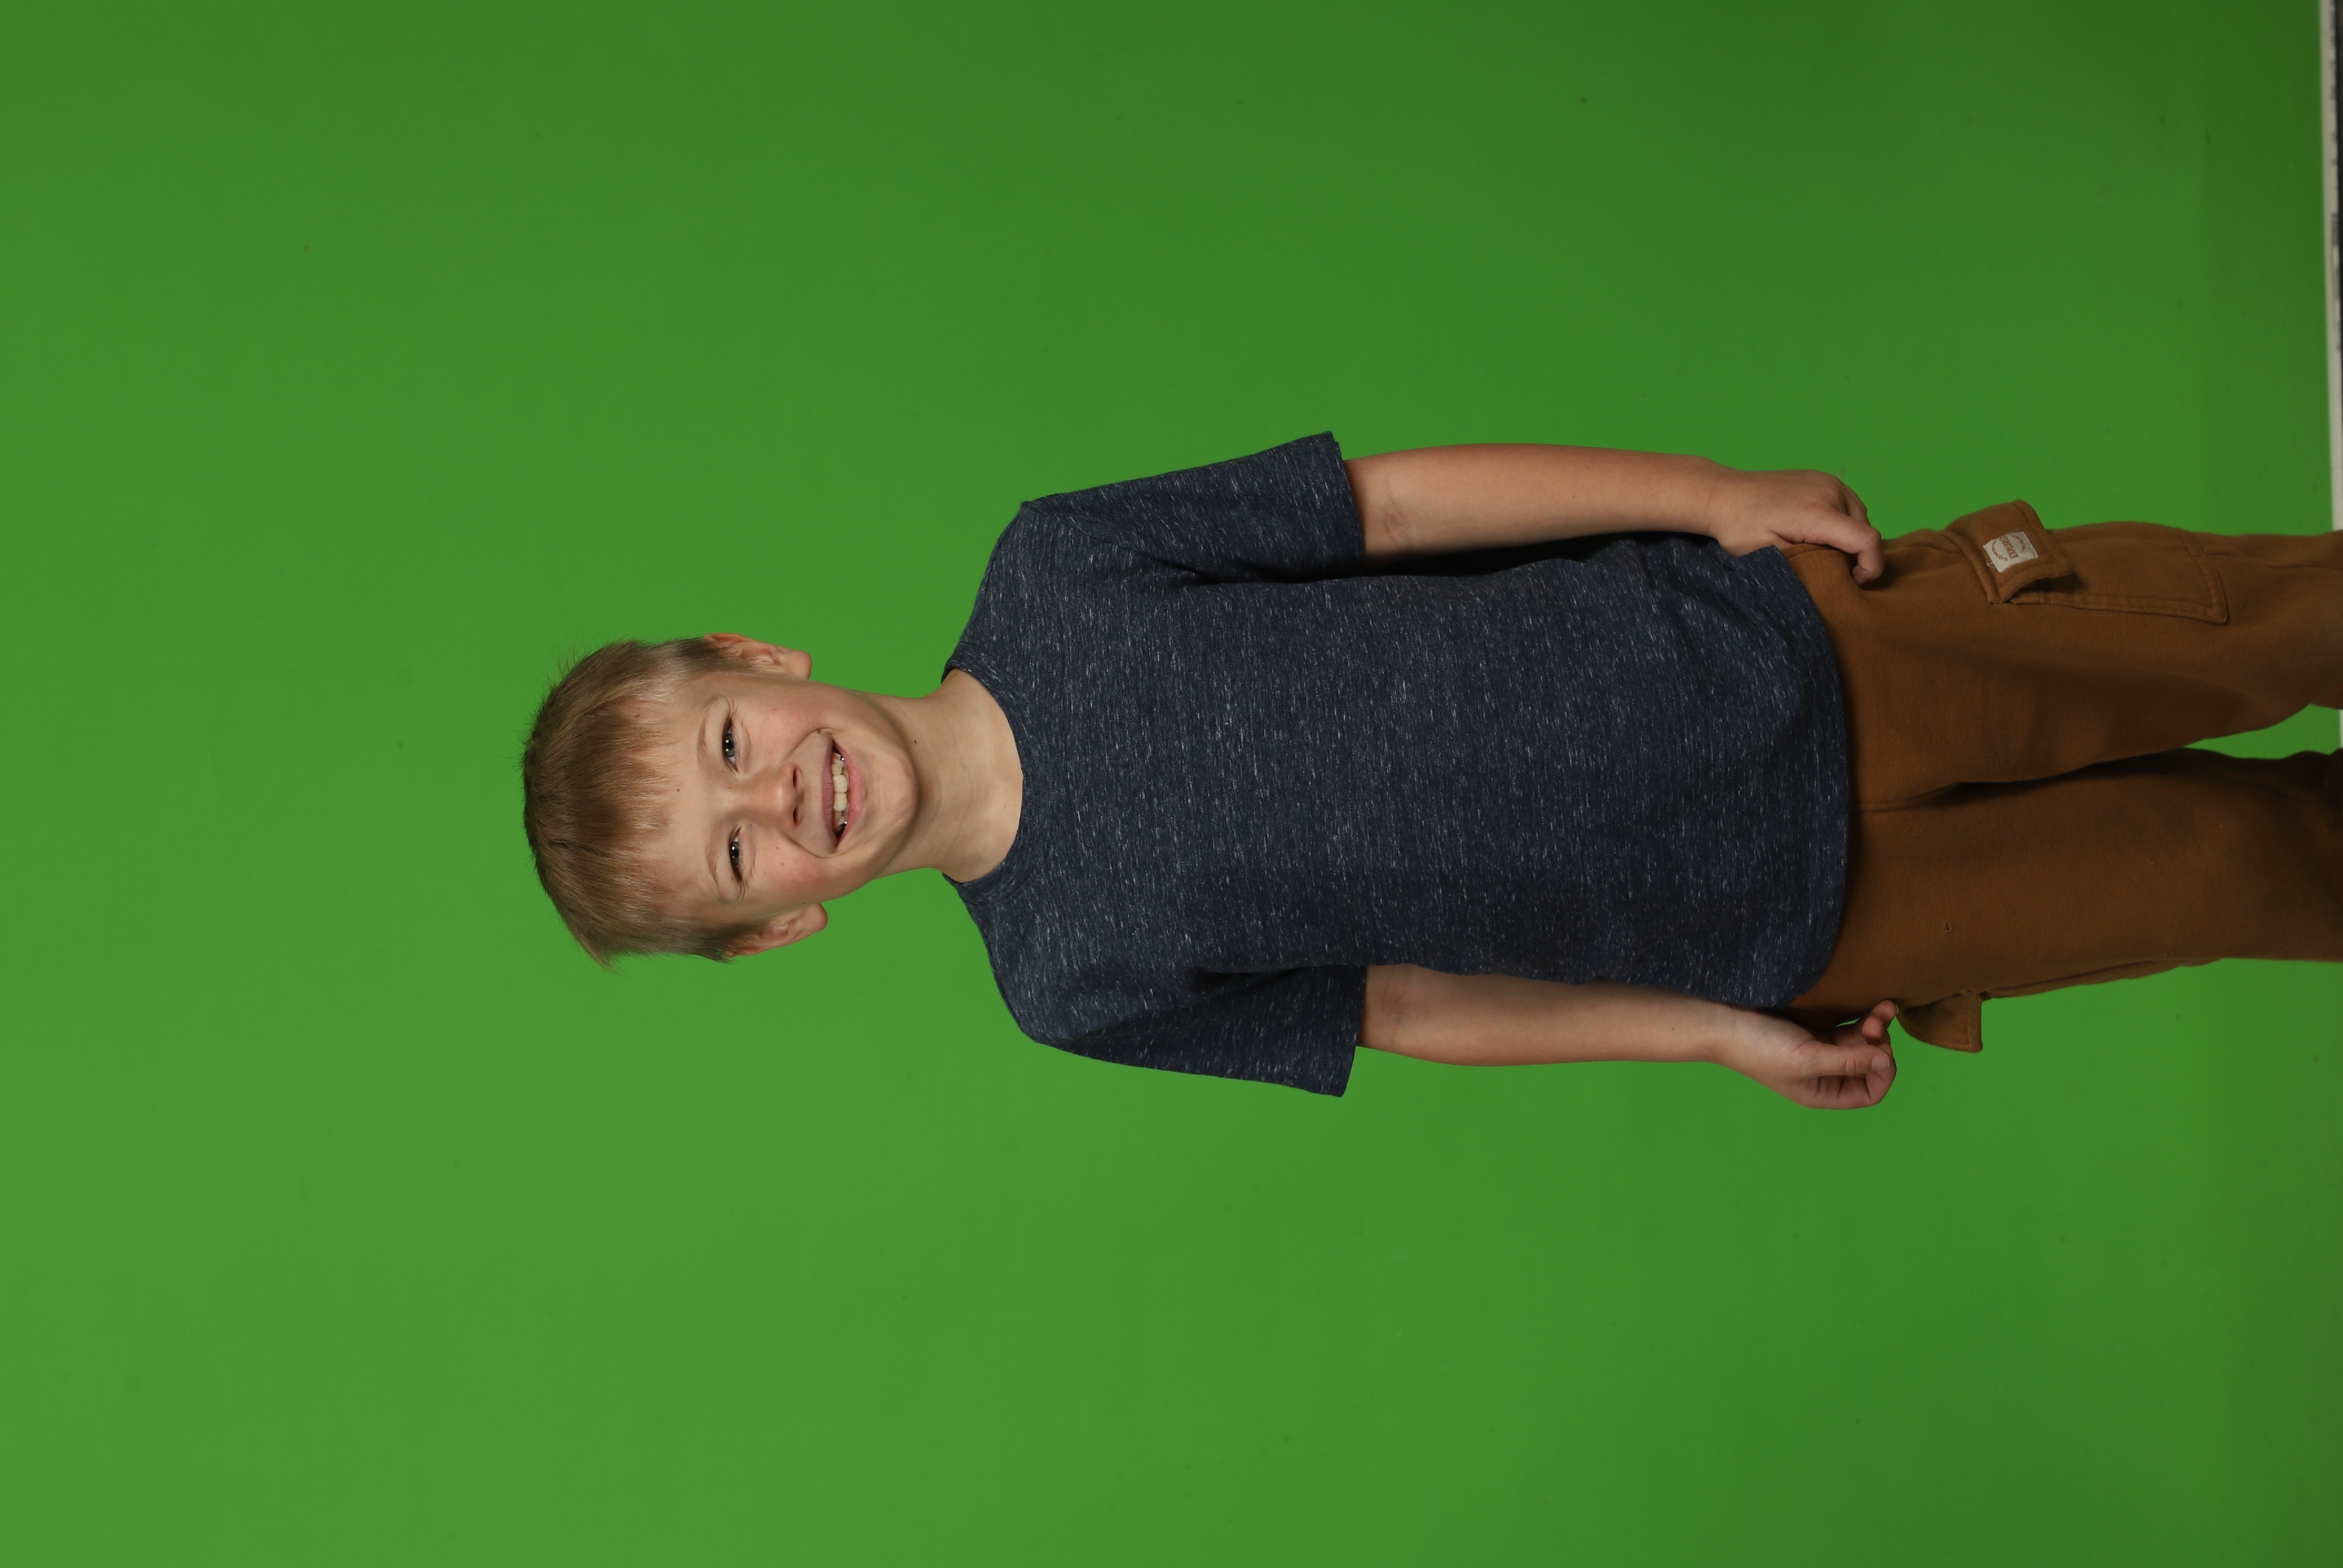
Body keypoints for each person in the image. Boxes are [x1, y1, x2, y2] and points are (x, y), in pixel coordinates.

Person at [519, 436, 2343, 1109]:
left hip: (1797, 654)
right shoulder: (1068, 983)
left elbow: (1387, 507)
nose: (780, 798)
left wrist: (1708, 499)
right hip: (1796, 918)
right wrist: (1712, 1035)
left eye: (732, 747)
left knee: (2255, 631)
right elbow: (1404, 1006)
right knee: (2242, 875)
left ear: (759, 660)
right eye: (739, 857)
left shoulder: (1060, 566)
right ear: (781, 930)